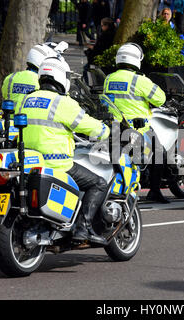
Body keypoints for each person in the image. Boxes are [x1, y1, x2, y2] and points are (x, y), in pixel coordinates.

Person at [17, 56, 111, 245]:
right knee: (99, 183)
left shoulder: (26, 99)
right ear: (61, 78)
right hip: (57, 164)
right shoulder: (63, 103)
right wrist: (105, 130)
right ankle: (83, 229)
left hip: (28, 163)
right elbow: (91, 127)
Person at [102, 43, 170, 203]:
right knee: (160, 154)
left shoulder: (109, 78)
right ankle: (154, 191)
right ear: (136, 60)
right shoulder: (140, 81)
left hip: (114, 127)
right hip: (138, 128)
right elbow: (160, 99)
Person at [3, 42, 64, 110]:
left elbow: (5, 95)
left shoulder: (10, 78)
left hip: (9, 118)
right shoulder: (44, 83)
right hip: (31, 118)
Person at [83, 17, 116, 83]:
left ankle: (90, 86)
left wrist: (90, 47)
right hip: (105, 57)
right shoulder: (113, 33)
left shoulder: (106, 35)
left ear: (107, 26)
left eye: (102, 25)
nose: (101, 27)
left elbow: (99, 48)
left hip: (101, 58)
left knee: (86, 69)